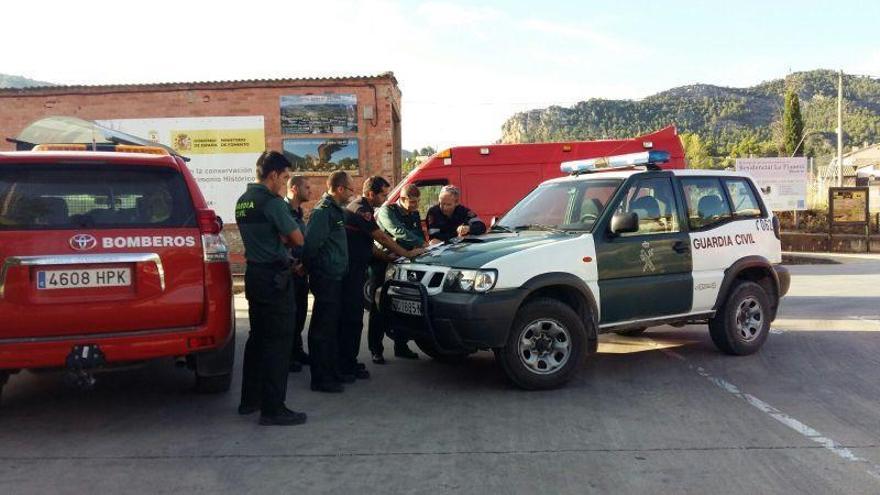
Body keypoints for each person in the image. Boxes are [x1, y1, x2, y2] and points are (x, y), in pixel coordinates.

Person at [236, 151, 306, 427]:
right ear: (274, 175)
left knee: (257, 339)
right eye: (285, 177)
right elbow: (298, 238)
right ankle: (273, 408)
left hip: (254, 274)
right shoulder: (273, 203)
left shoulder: (243, 201)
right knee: (278, 343)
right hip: (275, 279)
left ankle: (249, 401)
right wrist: (283, 238)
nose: (286, 182)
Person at [339, 177, 425, 375]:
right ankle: (366, 354)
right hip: (365, 268)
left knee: (399, 304)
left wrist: (399, 255)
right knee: (371, 309)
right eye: (384, 194)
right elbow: (383, 237)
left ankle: (399, 346)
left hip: (392, 262)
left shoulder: (368, 207)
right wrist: (407, 253)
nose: (386, 198)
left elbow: (369, 244)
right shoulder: (364, 209)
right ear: (371, 194)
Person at [302, 171, 352, 393]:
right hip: (326, 277)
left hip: (336, 276)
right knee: (323, 329)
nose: (353, 194)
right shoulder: (323, 212)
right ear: (340, 189)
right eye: (350, 189)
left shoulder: (335, 211)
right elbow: (311, 245)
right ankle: (320, 378)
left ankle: (331, 371)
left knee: (332, 328)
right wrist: (313, 269)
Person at [370, 184, 428, 363]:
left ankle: (401, 346)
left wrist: (421, 244)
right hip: (383, 263)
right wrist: (422, 243)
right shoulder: (387, 211)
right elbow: (398, 232)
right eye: (412, 202)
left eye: (417, 202)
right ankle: (376, 349)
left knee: (403, 304)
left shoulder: (415, 214)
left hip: (405, 264)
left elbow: (417, 233)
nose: (415, 206)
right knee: (379, 308)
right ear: (401, 199)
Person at [286, 175, 312, 372]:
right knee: (289, 316)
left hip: (302, 272)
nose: (310, 191)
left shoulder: (299, 212)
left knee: (301, 314)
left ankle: (297, 350)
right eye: (307, 187)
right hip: (288, 272)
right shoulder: (283, 212)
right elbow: (279, 241)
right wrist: (293, 264)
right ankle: (288, 356)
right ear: (294, 189)